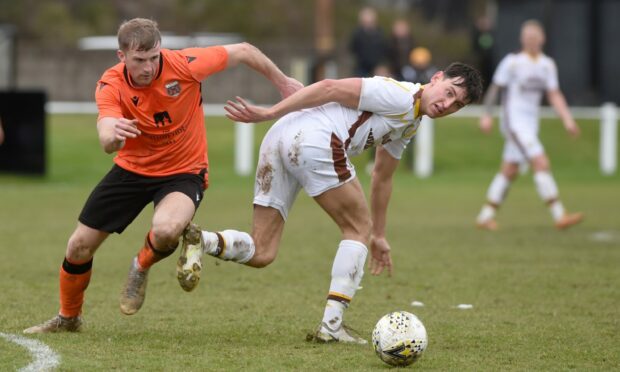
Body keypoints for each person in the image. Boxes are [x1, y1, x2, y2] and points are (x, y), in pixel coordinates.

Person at [24, 18, 302, 334]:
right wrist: (113, 135)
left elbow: (243, 50)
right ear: (122, 57)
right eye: (140, 60)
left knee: (168, 230)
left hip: (183, 172)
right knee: (78, 247)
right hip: (131, 169)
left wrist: (281, 82)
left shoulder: (184, 64)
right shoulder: (111, 83)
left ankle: (140, 265)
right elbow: (105, 134)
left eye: (154, 57)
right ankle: (68, 318)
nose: (149, 67)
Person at [175, 63, 483, 344]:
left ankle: (202, 241)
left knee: (263, 251)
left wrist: (380, 234)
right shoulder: (399, 95)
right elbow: (329, 88)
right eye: (449, 93)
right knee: (357, 228)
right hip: (313, 138)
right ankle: (332, 327)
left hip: (281, 139)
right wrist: (270, 112)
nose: (447, 104)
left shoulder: (410, 121)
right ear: (437, 78)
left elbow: (382, 177)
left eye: (457, 105)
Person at [475, 20, 582, 231]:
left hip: (531, 124)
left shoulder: (547, 65)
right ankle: (560, 214)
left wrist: (567, 120)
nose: (532, 41)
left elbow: (554, 94)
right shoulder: (513, 62)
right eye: (528, 37)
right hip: (514, 123)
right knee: (540, 162)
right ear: (522, 39)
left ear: (542, 39)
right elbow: (495, 88)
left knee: (510, 170)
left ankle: (485, 216)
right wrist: (486, 115)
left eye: (535, 37)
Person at [349, 7, 387, 77]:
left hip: (376, 67)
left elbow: (384, 50)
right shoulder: (357, 34)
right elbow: (352, 49)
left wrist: (381, 65)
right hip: (361, 68)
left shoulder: (380, 33)